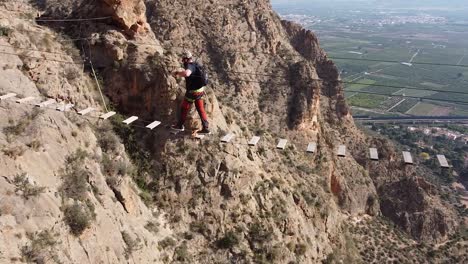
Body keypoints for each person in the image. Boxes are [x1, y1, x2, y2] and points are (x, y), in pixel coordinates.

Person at [171, 50, 210, 134]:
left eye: (183, 59)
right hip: (200, 90)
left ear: (186, 59)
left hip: (192, 92)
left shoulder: (190, 65)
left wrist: (177, 73)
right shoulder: (197, 65)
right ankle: (206, 127)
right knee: (200, 109)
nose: (182, 61)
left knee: (184, 108)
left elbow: (187, 74)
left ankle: (180, 125)